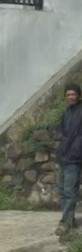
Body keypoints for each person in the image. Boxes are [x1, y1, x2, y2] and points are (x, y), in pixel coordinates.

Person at [55, 82, 82, 236]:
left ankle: (65, 222)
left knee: (70, 191)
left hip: (75, 157)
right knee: (62, 191)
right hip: (64, 156)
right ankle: (69, 220)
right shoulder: (65, 113)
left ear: (79, 96)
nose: (71, 97)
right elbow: (64, 135)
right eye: (68, 95)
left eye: (73, 94)